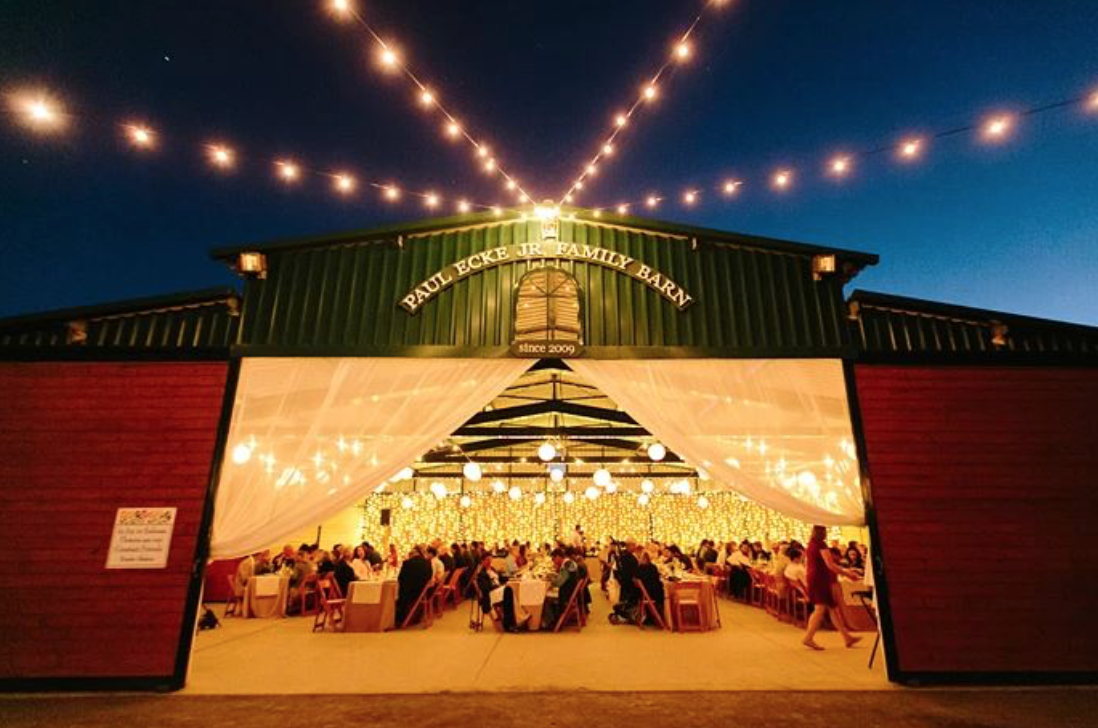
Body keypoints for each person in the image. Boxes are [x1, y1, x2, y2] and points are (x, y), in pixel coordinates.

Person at [802, 525, 862, 651]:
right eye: (825, 531)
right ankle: (808, 637)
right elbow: (830, 564)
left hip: (815, 577)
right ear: (822, 533)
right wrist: (848, 574)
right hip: (820, 579)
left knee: (832, 608)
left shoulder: (811, 544)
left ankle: (847, 637)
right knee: (819, 608)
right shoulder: (820, 545)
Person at [474, 553, 520, 632]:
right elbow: (485, 588)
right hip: (490, 595)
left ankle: (516, 620)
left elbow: (500, 578)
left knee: (511, 590)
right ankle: (509, 625)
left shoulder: (492, 569)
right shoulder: (481, 574)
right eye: (487, 560)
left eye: (490, 559)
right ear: (482, 561)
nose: (489, 561)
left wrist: (513, 577)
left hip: (497, 591)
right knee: (508, 592)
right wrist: (497, 586)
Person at [541, 548, 579, 629]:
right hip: (571, 590)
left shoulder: (567, 565)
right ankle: (551, 619)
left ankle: (550, 622)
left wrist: (550, 579)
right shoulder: (569, 563)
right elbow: (563, 578)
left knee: (544, 597)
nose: (553, 561)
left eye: (553, 559)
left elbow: (558, 583)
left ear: (558, 557)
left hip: (567, 594)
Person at [396, 546, 433, 626]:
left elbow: (400, 578)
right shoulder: (427, 563)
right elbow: (430, 576)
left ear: (413, 554)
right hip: (423, 592)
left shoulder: (407, 563)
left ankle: (398, 618)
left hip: (411, 593)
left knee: (395, 595)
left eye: (410, 553)